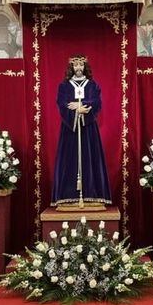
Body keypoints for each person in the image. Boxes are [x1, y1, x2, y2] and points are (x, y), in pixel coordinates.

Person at [51, 55, 112, 207]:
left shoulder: (92, 85)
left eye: (81, 65)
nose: (78, 68)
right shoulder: (64, 86)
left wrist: (81, 106)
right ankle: (68, 196)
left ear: (85, 67)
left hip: (88, 129)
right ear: (71, 67)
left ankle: (92, 195)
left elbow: (96, 102)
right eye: (75, 65)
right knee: (69, 160)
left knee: (90, 157)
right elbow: (62, 102)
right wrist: (75, 111)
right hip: (70, 131)